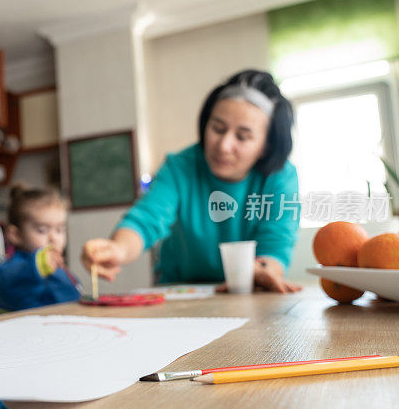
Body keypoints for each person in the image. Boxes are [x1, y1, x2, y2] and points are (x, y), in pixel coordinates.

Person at [82, 70, 301, 293]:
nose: (224, 145)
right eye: (218, 128)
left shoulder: (281, 177)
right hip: (180, 291)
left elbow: (276, 243)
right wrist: (117, 249)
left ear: (267, 146)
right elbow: (145, 219)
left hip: (247, 290)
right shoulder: (179, 167)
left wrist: (263, 270)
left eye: (242, 137)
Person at [0, 186, 81, 311]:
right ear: (16, 235)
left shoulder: (60, 269)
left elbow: (74, 296)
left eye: (59, 230)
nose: (54, 238)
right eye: (42, 230)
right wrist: (40, 263)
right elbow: (7, 284)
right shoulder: (12, 269)